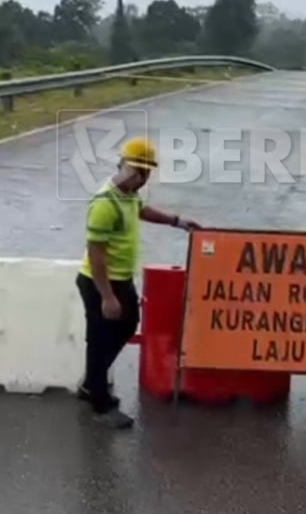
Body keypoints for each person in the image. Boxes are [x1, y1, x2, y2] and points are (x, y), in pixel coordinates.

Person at [77, 136, 200, 429]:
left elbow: (141, 210)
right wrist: (107, 296)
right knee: (100, 340)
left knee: (126, 326)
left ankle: (92, 383)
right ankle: (100, 405)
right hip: (99, 282)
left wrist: (176, 220)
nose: (141, 178)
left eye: (146, 173)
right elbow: (96, 256)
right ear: (121, 165)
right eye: (136, 171)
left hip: (120, 279)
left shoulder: (128, 195)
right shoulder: (105, 203)